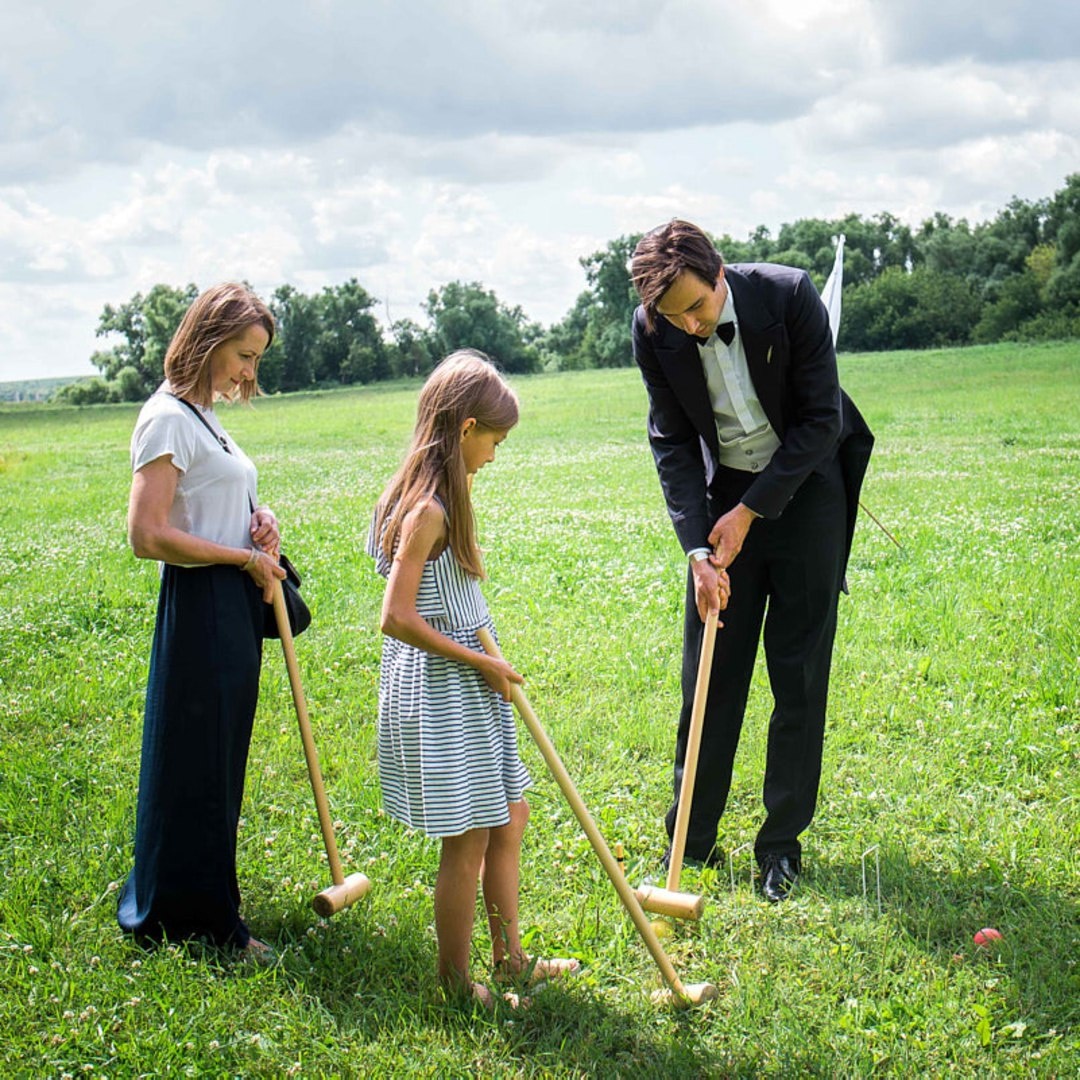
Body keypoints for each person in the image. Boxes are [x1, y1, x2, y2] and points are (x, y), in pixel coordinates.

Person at [630, 220, 874, 902]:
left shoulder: (791, 296)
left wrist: (751, 511)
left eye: (697, 308)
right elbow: (670, 438)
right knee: (709, 673)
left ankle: (780, 849)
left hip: (806, 492)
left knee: (797, 675)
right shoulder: (655, 327)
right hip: (722, 502)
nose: (688, 326)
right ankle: (693, 842)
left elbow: (822, 420)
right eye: (671, 316)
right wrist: (697, 547)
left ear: (720, 275)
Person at [366, 350, 578, 1004]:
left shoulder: (437, 494)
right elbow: (396, 617)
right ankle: (456, 984)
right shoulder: (427, 508)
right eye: (495, 439)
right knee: (470, 838)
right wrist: (481, 661)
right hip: (443, 687)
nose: (495, 453)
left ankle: (510, 958)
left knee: (509, 816)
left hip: (466, 680)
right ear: (464, 429)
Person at [118, 283, 286, 956]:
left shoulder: (202, 415)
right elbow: (147, 533)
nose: (249, 372)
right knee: (199, 763)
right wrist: (238, 559)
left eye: (255, 360)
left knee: (214, 761)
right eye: (244, 355)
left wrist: (258, 518)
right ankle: (213, 924)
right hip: (200, 603)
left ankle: (187, 898)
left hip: (229, 598)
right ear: (210, 338)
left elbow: (206, 501)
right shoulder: (166, 418)